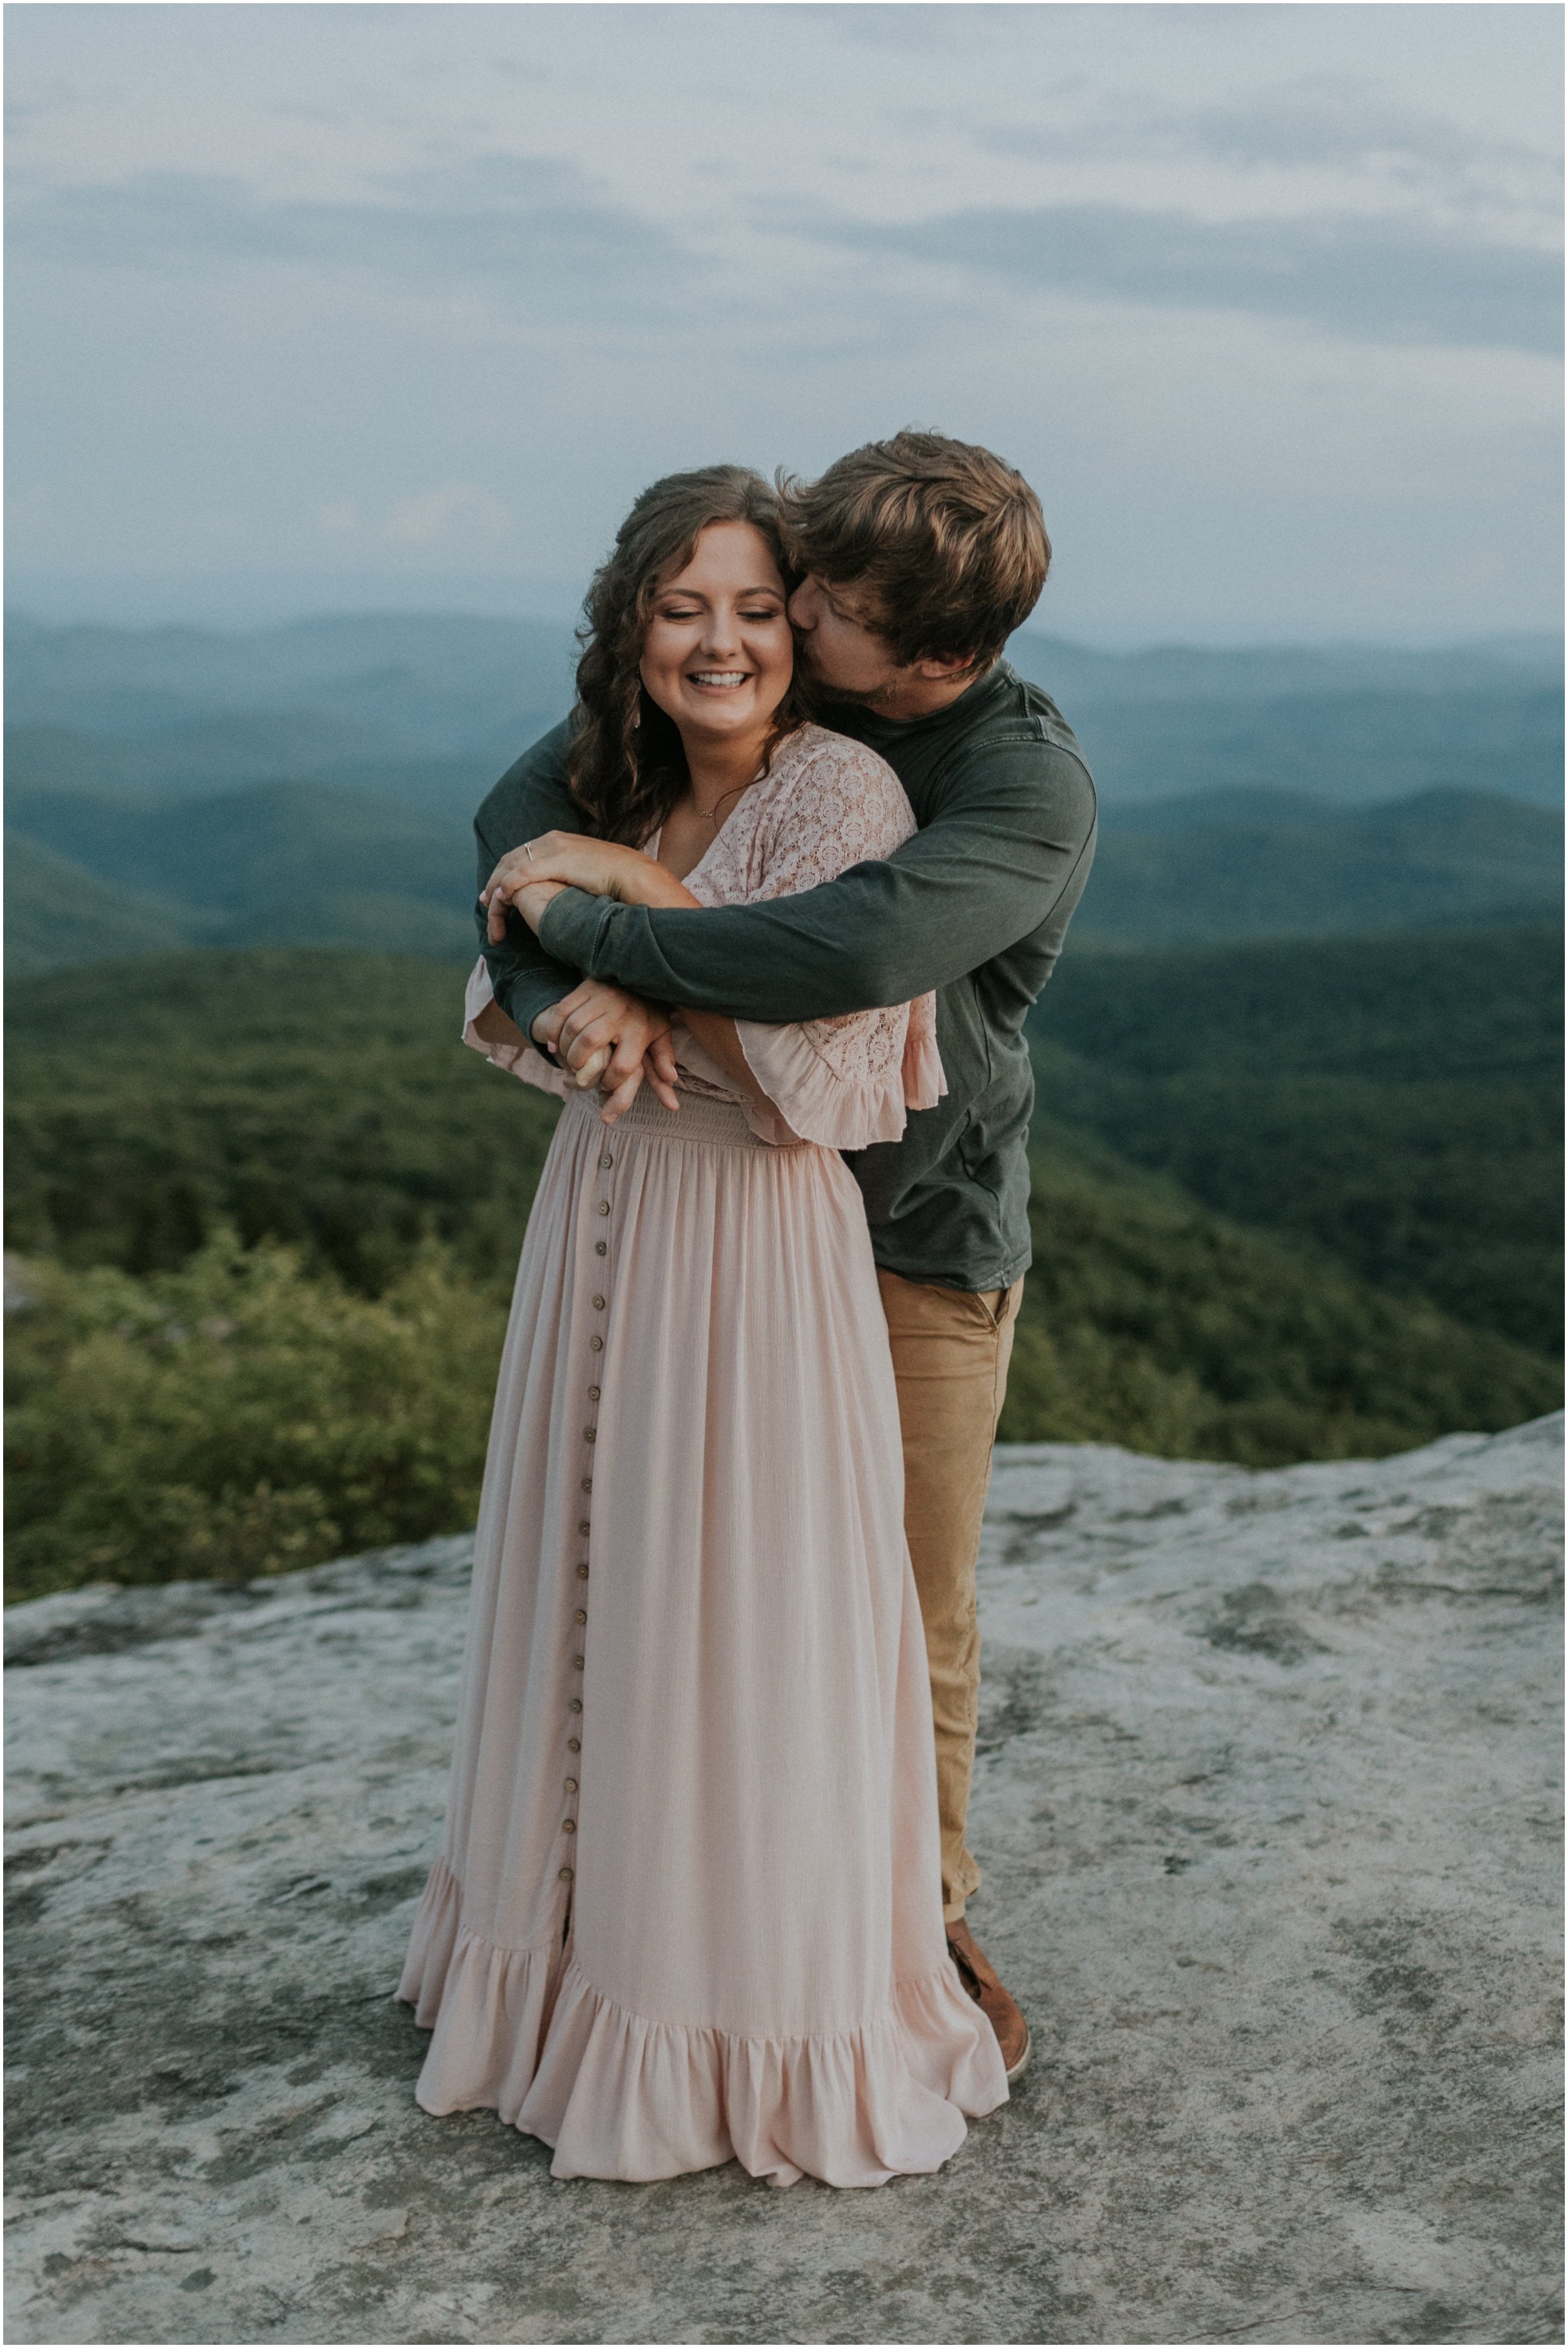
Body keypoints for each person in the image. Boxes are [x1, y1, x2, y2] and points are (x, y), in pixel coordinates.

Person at [399, 465, 1009, 2188]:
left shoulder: (843, 797)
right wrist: (591, 962)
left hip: (750, 1245)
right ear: (635, 627)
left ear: (799, 627)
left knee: (730, 1615)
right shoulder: (626, 778)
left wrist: (623, 916)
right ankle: (559, 1986)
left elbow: (816, 1072)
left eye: (753, 606)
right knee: (592, 1584)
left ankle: (729, 2012)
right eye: (684, 608)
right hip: (600, 1216)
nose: (722, 639)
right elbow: (504, 977)